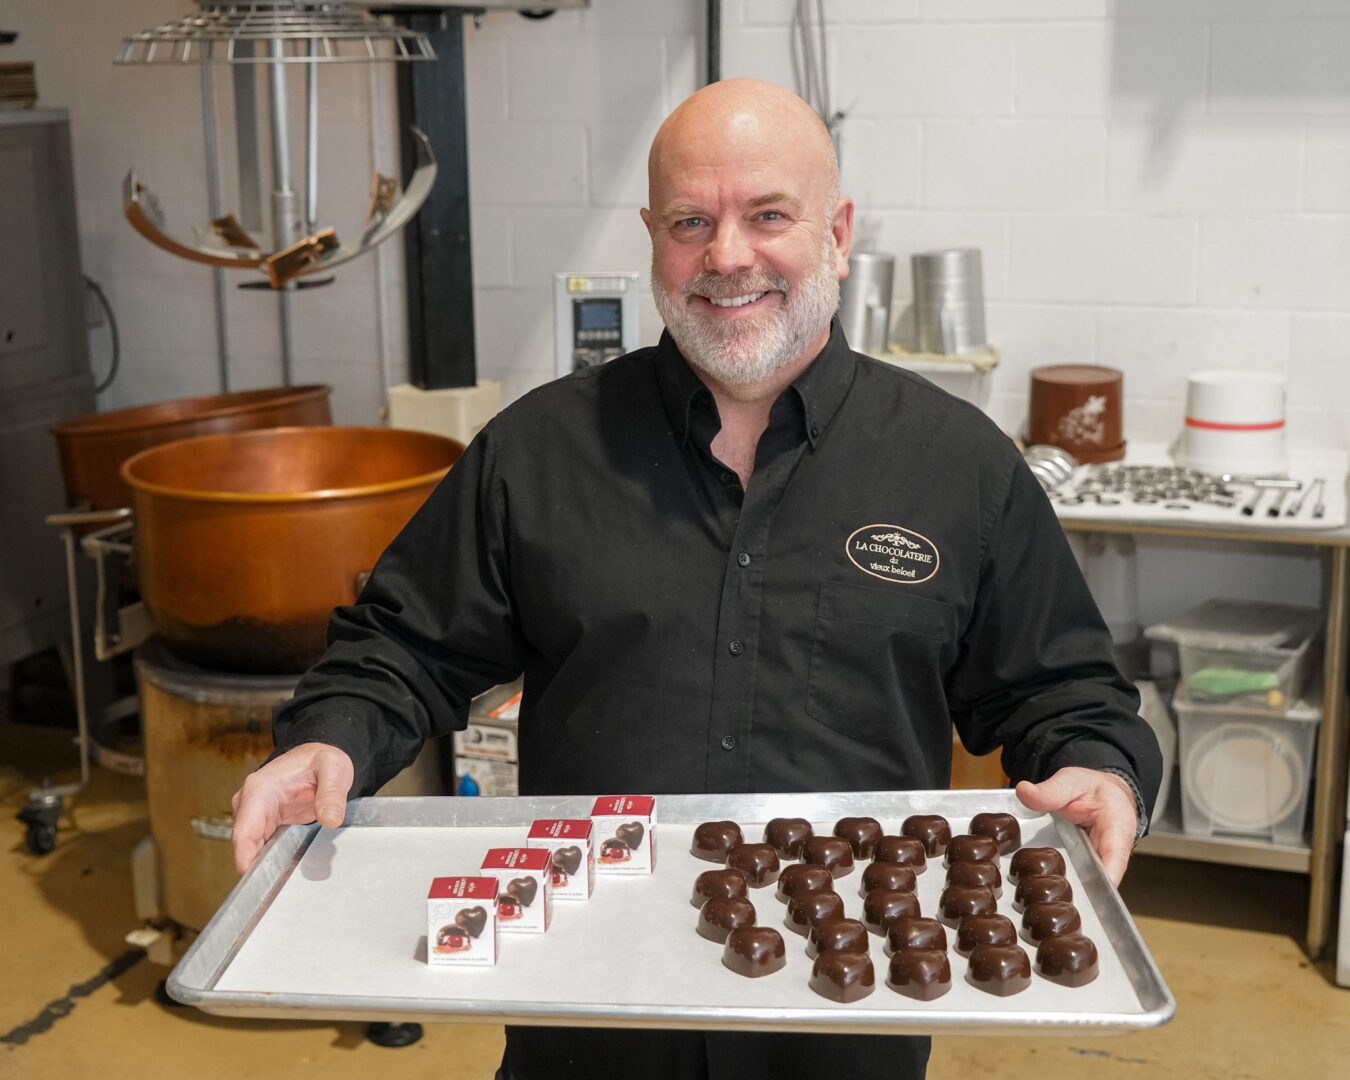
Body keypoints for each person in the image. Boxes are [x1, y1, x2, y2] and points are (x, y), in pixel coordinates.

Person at [232, 78, 1161, 1080]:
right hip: (589, 1016)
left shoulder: (959, 468)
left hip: (846, 1015)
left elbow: (1063, 690)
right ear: (651, 238)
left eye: (768, 215)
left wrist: (1103, 771)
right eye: (689, 221)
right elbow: (404, 646)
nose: (726, 256)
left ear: (838, 232)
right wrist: (330, 738)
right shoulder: (537, 454)